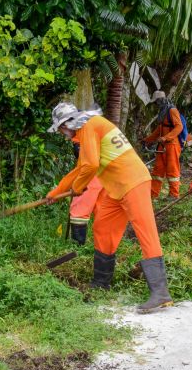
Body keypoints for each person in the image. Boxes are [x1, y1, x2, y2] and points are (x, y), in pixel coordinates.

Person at [46, 102, 172, 313]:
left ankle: (160, 293)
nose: (62, 134)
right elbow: (80, 168)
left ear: (68, 123)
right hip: (116, 188)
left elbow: (91, 165)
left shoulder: (89, 126)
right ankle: (101, 283)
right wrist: (56, 192)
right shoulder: (90, 128)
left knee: (145, 232)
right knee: (103, 228)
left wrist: (77, 188)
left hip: (133, 182)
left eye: (61, 129)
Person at [143, 91, 183, 199]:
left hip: (172, 145)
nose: (155, 105)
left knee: (172, 170)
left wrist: (166, 138)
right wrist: (147, 140)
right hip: (162, 145)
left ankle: (174, 194)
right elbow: (159, 130)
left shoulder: (172, 110)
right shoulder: (162, 112)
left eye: (156, 102)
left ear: (160, 100)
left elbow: (179, 127)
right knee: (158, 170)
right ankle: (153, 194)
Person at [68, 134, 104, 245]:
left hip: (91, 170)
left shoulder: (82, 128)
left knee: (80, 208)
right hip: (106, 172)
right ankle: (103, 247)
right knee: (103, 209)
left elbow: (79, 151)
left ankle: (78, 246)